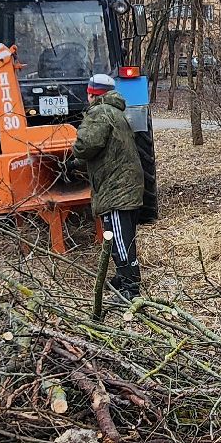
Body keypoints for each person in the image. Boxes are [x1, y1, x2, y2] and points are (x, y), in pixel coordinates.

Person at [75, 73, 144, 299]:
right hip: (125, 183)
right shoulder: (114, 111)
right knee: (121, 235)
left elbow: (86, 145)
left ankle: (130, 288)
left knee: (119, 239)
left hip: (117, 188)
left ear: (92, 93)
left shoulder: (99, 112)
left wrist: (73, 154)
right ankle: (122, 276)